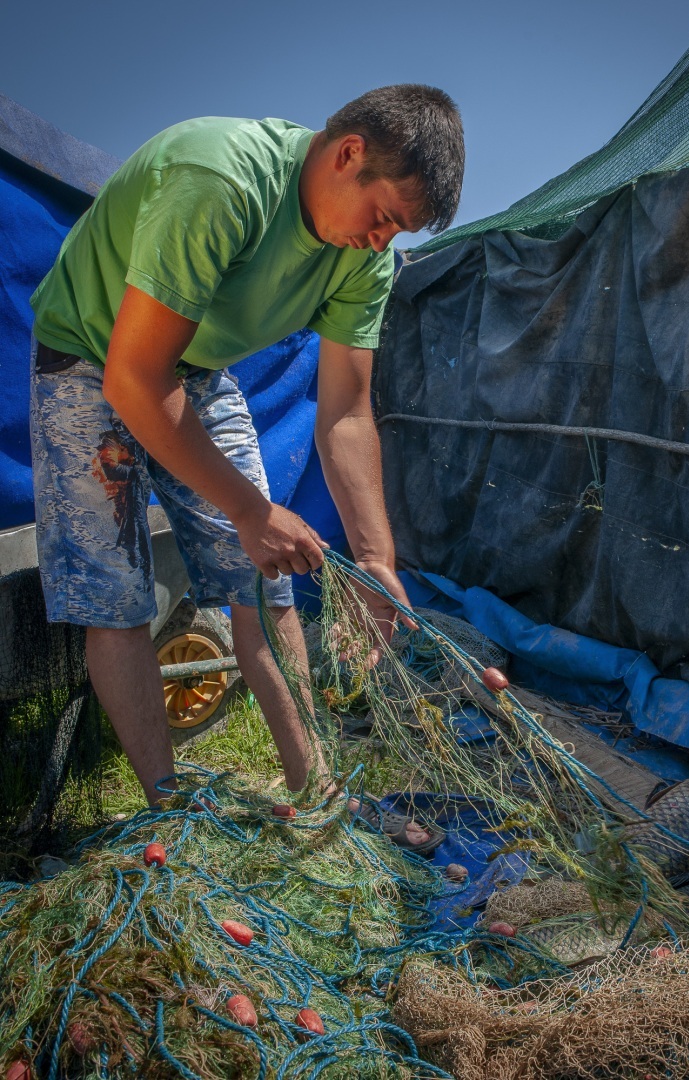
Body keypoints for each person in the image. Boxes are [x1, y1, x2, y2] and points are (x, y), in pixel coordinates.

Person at [29, 84, 465, 852]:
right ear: (348, 154)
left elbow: (346, 412)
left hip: (194, 367)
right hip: (92, 358)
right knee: (116, 598)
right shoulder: (221, 179)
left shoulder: (365, 258)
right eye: (383, 217)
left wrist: (374, 558)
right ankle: (169, 817)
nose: (380, 241)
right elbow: (134, 379)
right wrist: (250, 510)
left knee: (263, 587)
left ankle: (317, 794)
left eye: (398, 231)